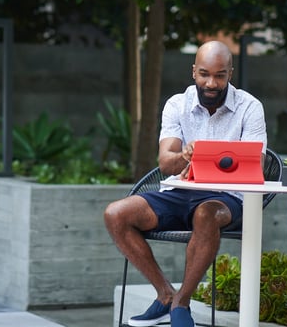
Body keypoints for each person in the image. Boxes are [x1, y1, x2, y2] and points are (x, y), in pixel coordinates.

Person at [103, 40, 267, 327]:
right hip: (179, 192)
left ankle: (182, 303)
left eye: (220, 75)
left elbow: (255, 163)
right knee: (116, 214)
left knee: (206, 214)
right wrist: (185, 156)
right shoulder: (177, 104)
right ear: (194, 72)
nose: (211, 83)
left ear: (231, 73)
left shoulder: (250, 107)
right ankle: (165, 294)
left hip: (226, 198)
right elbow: (166, 162)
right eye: (204, 74)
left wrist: (215, 161)